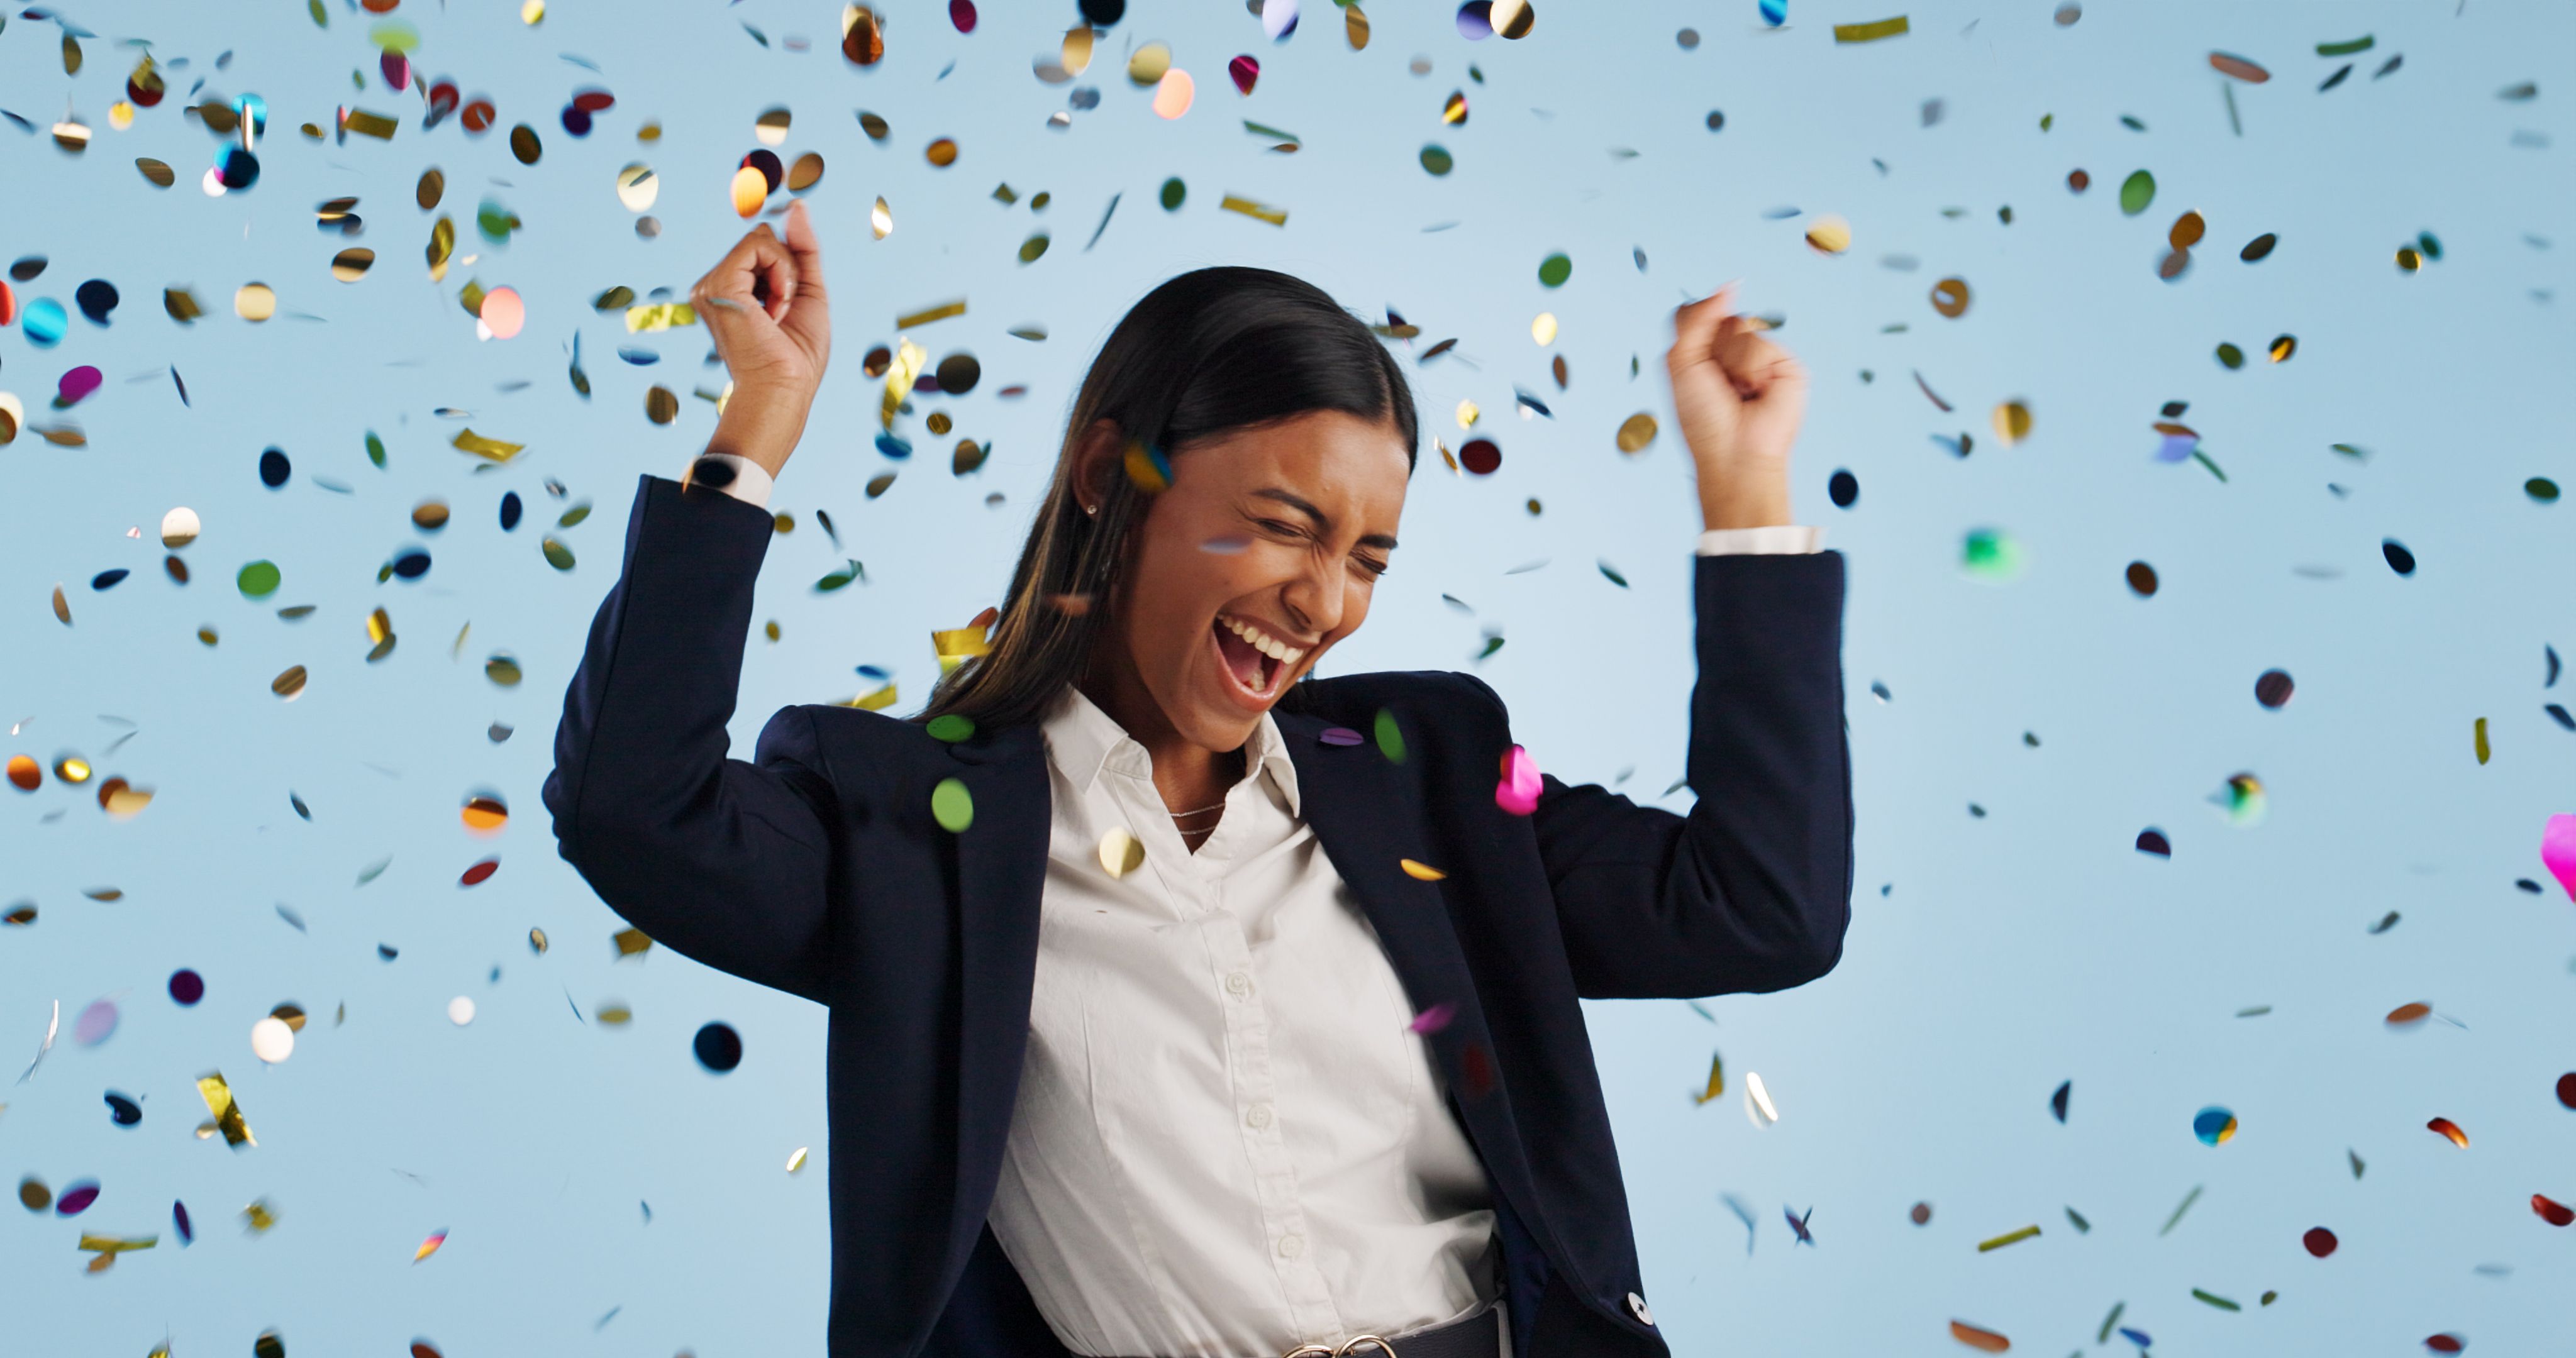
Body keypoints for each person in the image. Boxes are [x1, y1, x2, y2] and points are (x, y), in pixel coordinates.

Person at [543, 199, 1852, 1358]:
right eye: (1285, 527)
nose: (1324, 601)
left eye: (1368, 558)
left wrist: (1746, 496)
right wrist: (753, 430)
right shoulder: (916, 836)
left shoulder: (1429, 780)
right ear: (1111, 475)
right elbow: (630, 810)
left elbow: (1760, 907)